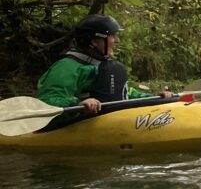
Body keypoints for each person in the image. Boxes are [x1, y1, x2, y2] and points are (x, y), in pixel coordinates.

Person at [36, 14, 173, 114]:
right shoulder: (66, 67)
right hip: (74, 126)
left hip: (108, 120)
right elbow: (48, 100)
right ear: (95, 41)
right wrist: (77, 103)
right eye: (112, 36)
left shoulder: (102, 66)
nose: (117, 40)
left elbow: (124, 94)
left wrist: (156, 97)